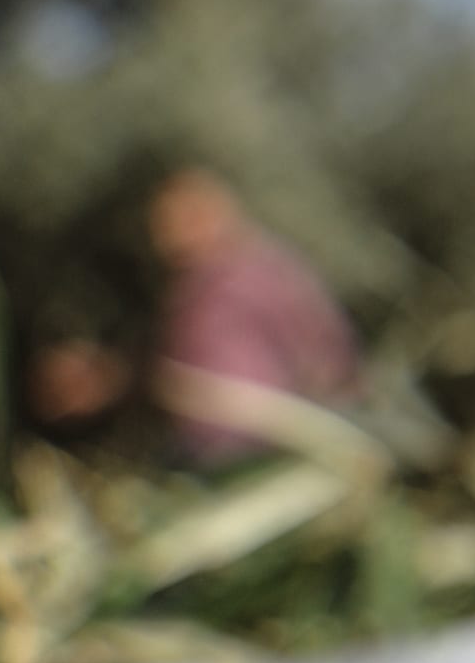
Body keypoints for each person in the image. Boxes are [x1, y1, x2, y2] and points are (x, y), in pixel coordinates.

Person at [143, 168, 360, 463]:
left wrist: (333, 417)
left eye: (186, 218)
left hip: (278, 448)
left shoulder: (259, 272)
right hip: (207, 457)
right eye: (164, 224)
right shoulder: (183, 293)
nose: (172, 235)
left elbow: (320, 343)